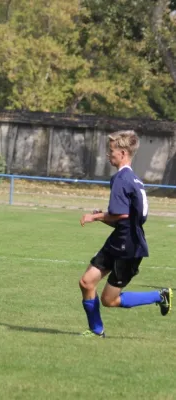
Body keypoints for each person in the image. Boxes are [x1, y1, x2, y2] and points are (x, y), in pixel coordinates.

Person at [78, 130, 172, 337]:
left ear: (122, 153)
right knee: (86, 282)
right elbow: (130, 218)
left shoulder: (121, 179)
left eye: (111, 151)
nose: (108, 155)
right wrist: (103, 216)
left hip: (129, 248)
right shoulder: (134, 179)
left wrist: (95, 217)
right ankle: (96, 331)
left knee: (109, 300)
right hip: (119, 240)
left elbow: (120, 214)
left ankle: (160, 295)